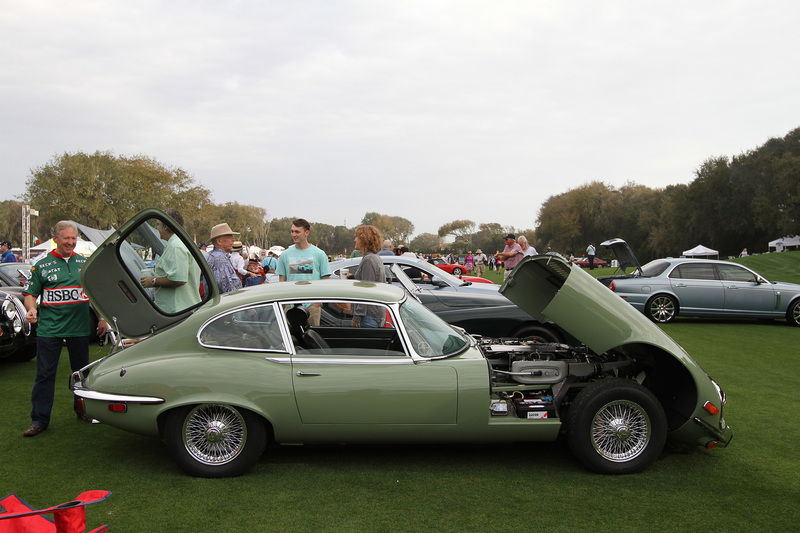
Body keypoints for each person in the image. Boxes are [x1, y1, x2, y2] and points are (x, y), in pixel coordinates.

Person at [21, 220, 109, 437]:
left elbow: (94, 294)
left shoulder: (84, 263)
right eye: (66, 238)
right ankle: (39, 420)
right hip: (49, 330)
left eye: (73, 238)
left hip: (79, 329)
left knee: (82, 375)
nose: (70, 242)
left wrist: (102, 318)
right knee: (44, 375)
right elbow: (30, 294)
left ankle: (83, 411)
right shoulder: (41, 264)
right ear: (56, 238)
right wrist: (31, 309)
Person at [140, 209, 201, 314]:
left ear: (165, 226)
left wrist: (153, 281)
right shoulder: (180, 242)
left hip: (178, 310)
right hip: (183, 308)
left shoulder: (175, 246)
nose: (157, 228)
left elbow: (179, 279)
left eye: (158, 224)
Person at [277, 218, 331, 325]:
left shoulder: (319, 254)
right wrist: (286, 303)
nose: (294, 234)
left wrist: (317, 303)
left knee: (310, 338)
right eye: (292, 231)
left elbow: (325, 280)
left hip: (311, 306)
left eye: (297, 231)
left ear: (306, 233)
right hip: (290, 305)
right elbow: (282, 279)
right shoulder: (285, 254)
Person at [350, 225, 387, 327]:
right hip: (374, 314)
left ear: (364, 239)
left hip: (368, 315)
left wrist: (357, 316)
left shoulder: (368, 260)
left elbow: (367, 291)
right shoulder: (374, 257)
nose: (355, 240)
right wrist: (353, 277)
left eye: (357, 237)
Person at [206, 223, 243, 294]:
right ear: (219, 241)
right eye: (229, 236)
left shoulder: (214, 256)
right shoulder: (220, 259)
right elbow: (227, 290)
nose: (233, 239)